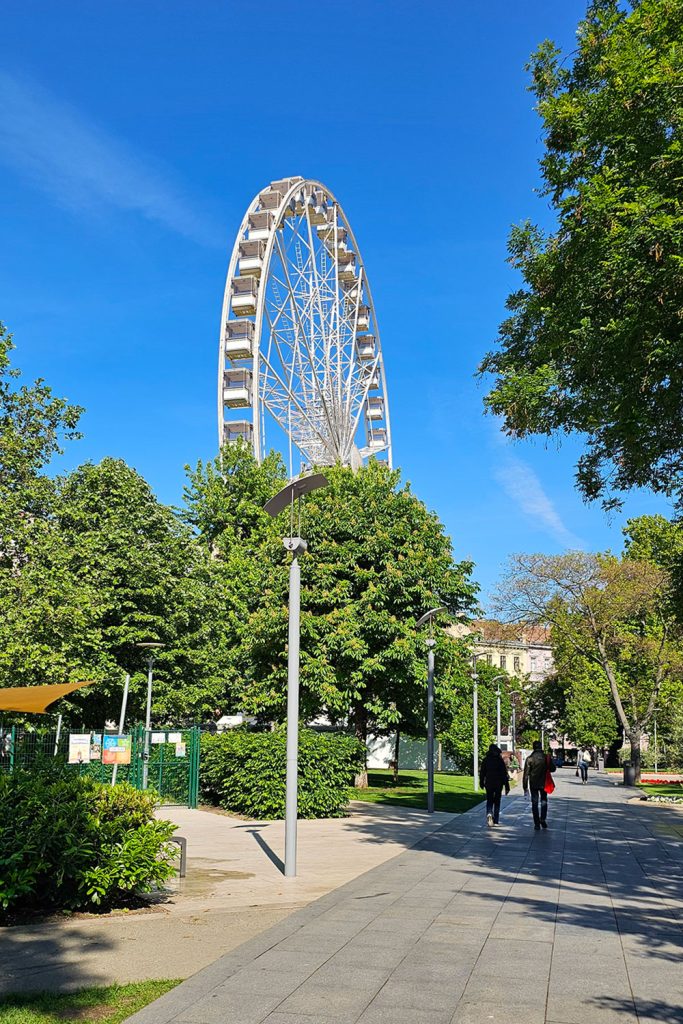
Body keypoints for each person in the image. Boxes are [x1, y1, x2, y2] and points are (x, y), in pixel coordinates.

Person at [523, 740, 556, 830]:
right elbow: (553, 769)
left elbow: (526, 774)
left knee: (534, 803)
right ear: (541, 747)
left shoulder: (529, 759)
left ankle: (536, 823)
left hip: (533, 783)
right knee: (544, 800)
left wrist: (525, 787)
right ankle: (543, 818)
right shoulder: (546, 757)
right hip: (544, 782)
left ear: (533, 747)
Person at [479, 743, 510, 827]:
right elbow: (504, 773)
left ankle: (489, 813)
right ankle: (496, 820)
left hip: (489, 782)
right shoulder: (499, 760)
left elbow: (482, 772)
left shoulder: (486, 760)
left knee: (489, 799)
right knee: (497, 801)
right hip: (498, 783)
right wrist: (507, 785)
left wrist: (481, 782)